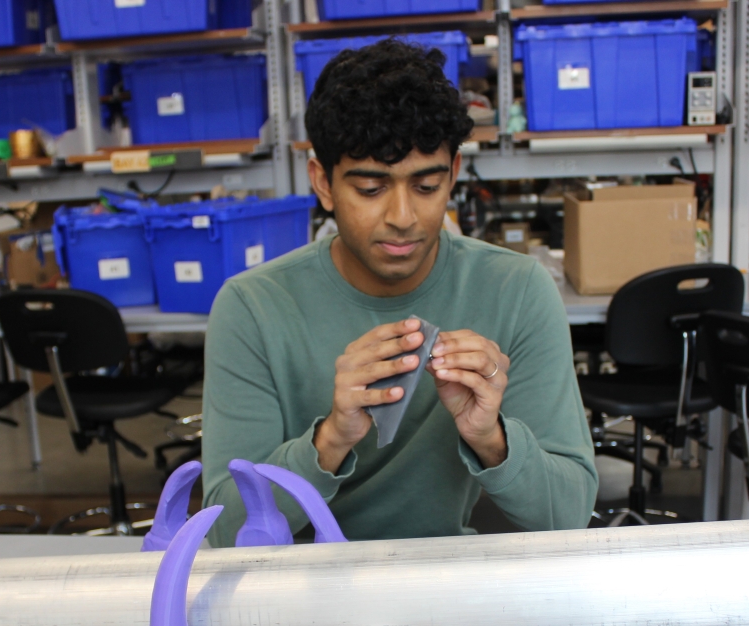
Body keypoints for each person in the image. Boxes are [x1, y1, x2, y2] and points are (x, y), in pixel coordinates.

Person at [201, 38, 596, 546]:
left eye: (426, 186)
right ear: (323, 183)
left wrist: (490, 439)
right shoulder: (253, 307)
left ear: (453, 174)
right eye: (370, 189)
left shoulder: (516, 289)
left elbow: (569, 515)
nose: (403, 218)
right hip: (295, 596)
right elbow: (225, 530)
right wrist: (329, 441)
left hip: (443, 586)